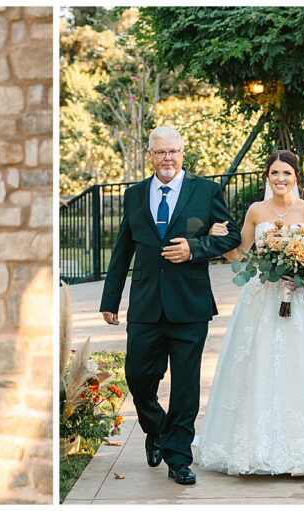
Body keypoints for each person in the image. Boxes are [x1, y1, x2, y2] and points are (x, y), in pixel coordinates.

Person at [196, 150, 304, 475]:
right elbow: (241, 257)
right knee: (261, 366)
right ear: (267, 177)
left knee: (302, 367)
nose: (280, 179)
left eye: (286, 174)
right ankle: (257, 448)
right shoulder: (255, 211)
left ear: (296, 177)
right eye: (274, 173)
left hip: (302, 302)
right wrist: (217, 239)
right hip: (261, 301)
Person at [99, 126, 241, 485]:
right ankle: (157, 430)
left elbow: (233, 236)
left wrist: (195, 249)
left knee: (185, 387)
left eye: (173, 152)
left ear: (182, 153)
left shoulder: (206, 192)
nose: (167, 159)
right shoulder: (134, 195)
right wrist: (110, 299)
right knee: (137, 376)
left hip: (190, 305)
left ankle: (179, 458)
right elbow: (122, 251)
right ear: (150, 155)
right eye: (160, 152)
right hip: (146, 304)